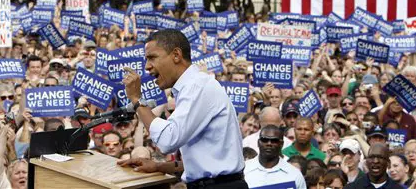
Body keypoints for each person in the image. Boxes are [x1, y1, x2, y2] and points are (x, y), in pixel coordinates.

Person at [119, 29, 247, 188]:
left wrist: (137, 100)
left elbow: (167, 141)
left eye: (152, 58)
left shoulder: (198, 87)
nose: (147, 67)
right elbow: (204, 162)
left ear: (176, 55)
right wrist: (158, 166)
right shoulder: (190, 88)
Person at [244, 125, 306, 189]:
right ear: (258, 142)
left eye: (274, 141)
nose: (269, 144)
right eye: (265, 140)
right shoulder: (244, 171)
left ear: (281, 144)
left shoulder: (294, 175)